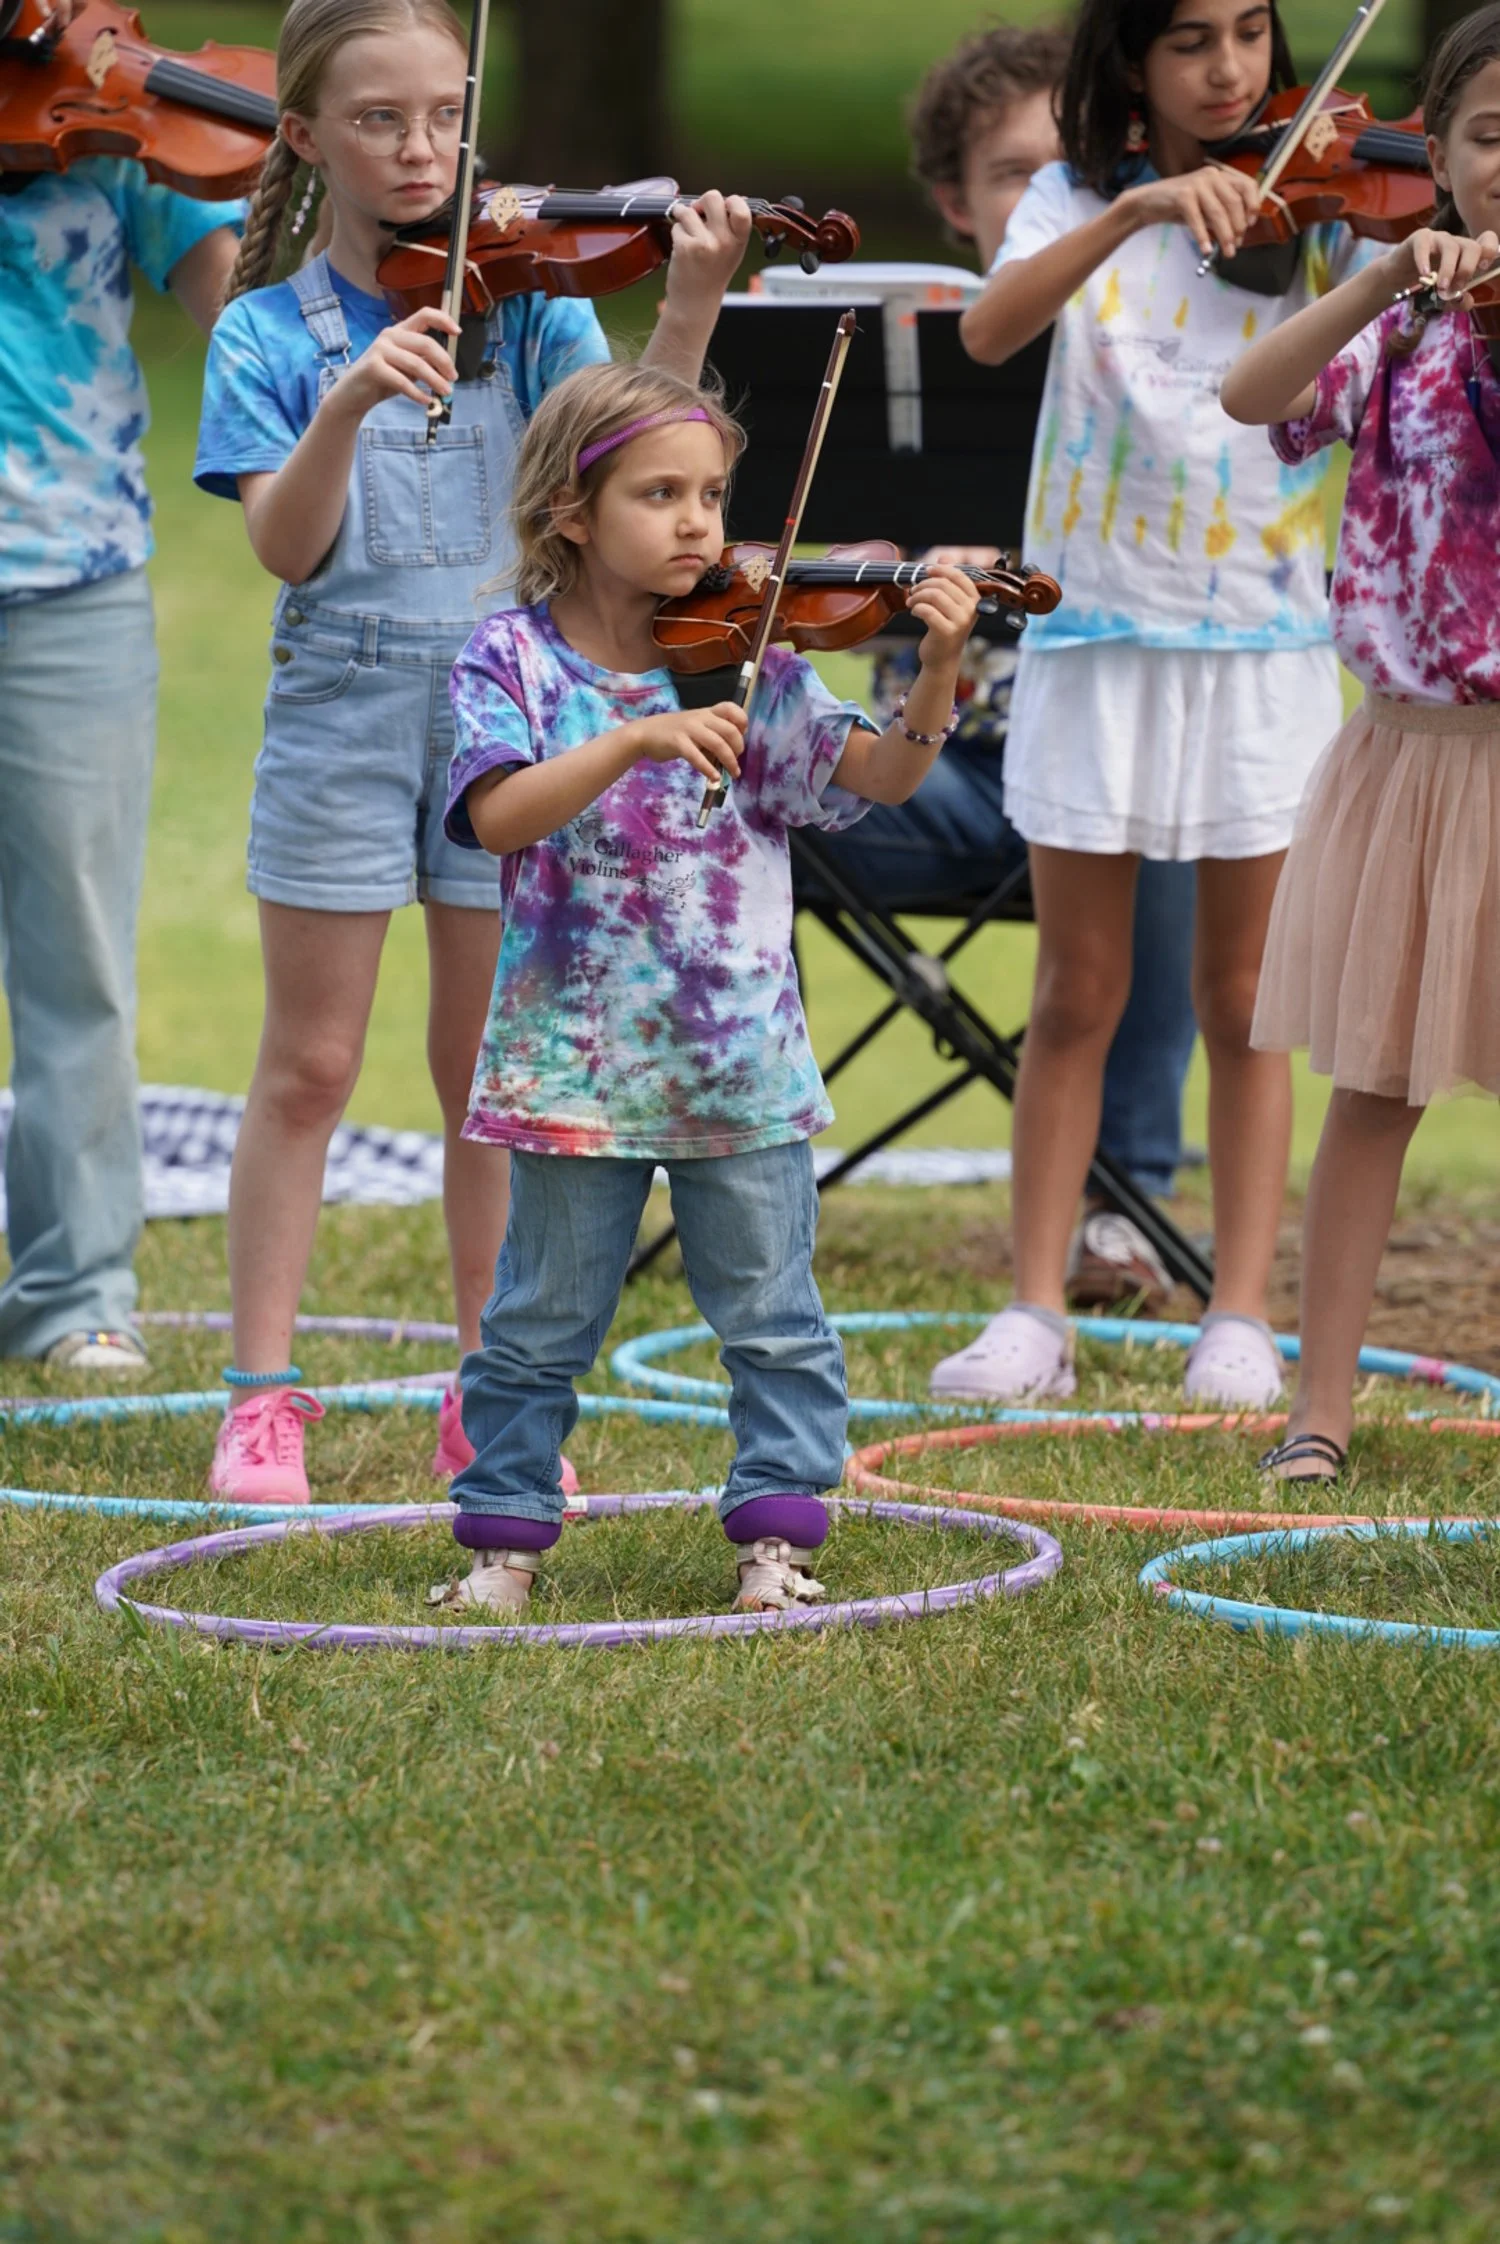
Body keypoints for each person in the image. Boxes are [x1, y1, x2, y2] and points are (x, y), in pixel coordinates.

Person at [193, 0, 751, 1504]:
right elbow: (287, 547)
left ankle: (487, 1400)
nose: (422, 149)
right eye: (379, 121)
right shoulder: (267, 333)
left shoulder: (537, 307)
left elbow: (641, 460)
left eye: (445, 115)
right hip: (343, 714)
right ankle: (260, 1397)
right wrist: (350, 400)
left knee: (484, 1077)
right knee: (308, 1065)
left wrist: (689, 299)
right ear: (307, 140)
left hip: (508, 713)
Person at [436, 360, 980, 1613]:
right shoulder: (509, 660)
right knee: (537, 1319)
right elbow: (500, 814)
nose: (700, 525)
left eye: (716, 495)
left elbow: (885, 779)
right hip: (572, 1066)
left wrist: (937, 668)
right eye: (661, 493)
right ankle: (504, 1544)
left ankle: (777, 1541)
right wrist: (630, 735)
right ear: (571, 512)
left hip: (740, 1064)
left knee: (773, 1316)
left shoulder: (758, 663)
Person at [927, 0, 1370, 1408]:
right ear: (1131, 64)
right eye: (1189, 40)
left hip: (1264, 640)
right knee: (1077, 991)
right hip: (1098, 632)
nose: (1230, 68)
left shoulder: (1330, 205)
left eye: (1250, 32)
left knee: (1245, 998)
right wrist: (1130, 218)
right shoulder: (1068, 195)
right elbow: (992, 333)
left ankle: (1239, 1314)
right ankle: (1035, 1310)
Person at [815, 19, 1200, 1315]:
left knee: (1168, 806)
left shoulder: (1174, 356)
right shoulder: (895, 358)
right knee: (738, 779)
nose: (1052, 194)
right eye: (1015, 174)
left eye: (1073, 168)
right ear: (955, 200)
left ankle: (1124, 1207)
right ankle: (730, 1150)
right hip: (932, 775)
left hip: (1102, 770)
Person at [1219, 6, 1500, 1482]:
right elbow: (1251, 397)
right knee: (1376, 1085)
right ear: (1441, 156)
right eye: (1492, 135)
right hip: (1413, 750)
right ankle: (1320, 1404)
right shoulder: (1399, 314)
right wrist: (1386, 276)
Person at [0, 0, 243, 1376]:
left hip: (73, 584)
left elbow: (234, 305)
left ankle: (74, 1292)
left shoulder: (107, 118)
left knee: (77, 955)